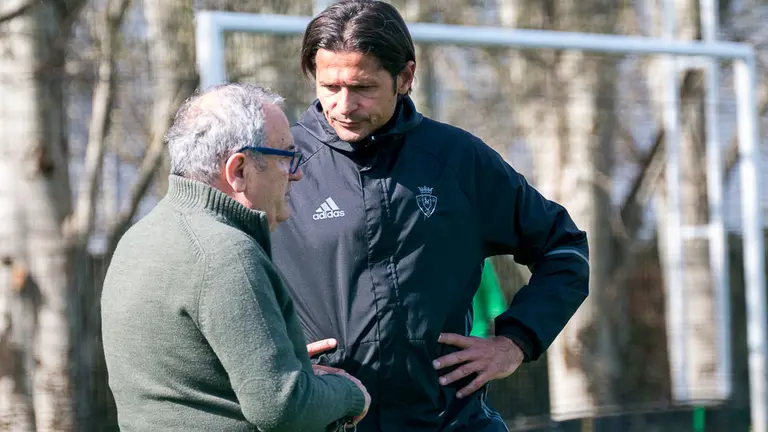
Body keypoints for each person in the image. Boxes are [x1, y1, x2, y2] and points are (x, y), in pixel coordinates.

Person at [271, 1, 590, 430]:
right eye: (329, 86)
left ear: (405, 77)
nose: (343, 105)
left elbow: (565, 248)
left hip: (451, 421)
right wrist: (275, 357)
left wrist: (515, 342)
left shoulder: (456, 160)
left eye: (362, 87)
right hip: (326, 418)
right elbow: (221, 275)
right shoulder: (278, 164)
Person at [101, 83, 370, 432]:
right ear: (239, 170)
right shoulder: (226, 254)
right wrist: (349, 394)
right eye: (286, 156)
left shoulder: (141, 236)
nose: (297, 173)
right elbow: (282, 406)